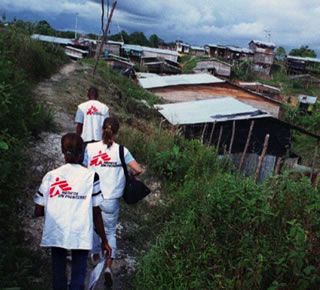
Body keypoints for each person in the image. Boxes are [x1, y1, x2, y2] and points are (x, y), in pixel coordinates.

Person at [34, 133, 112, 290]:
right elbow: (96, 212)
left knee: (58, 275)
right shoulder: (91, 176)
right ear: (82, 152)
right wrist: (104, 240)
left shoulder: (51, 176)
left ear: (62, 151)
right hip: (80, 232)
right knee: (78, 275)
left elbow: (38, 210)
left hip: (57, 231)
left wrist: (60, 204)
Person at [83, 117, 143, 287]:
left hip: (93, 197)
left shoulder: (90, 147)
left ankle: (95, 255)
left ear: (102, 129)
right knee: (110, 232)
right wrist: (129, 176)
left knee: (94, 227)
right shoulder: (122, 150)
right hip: (111, 200)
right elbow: (137, 169)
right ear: (116, 132)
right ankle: (108, 268)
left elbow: (84, 169)